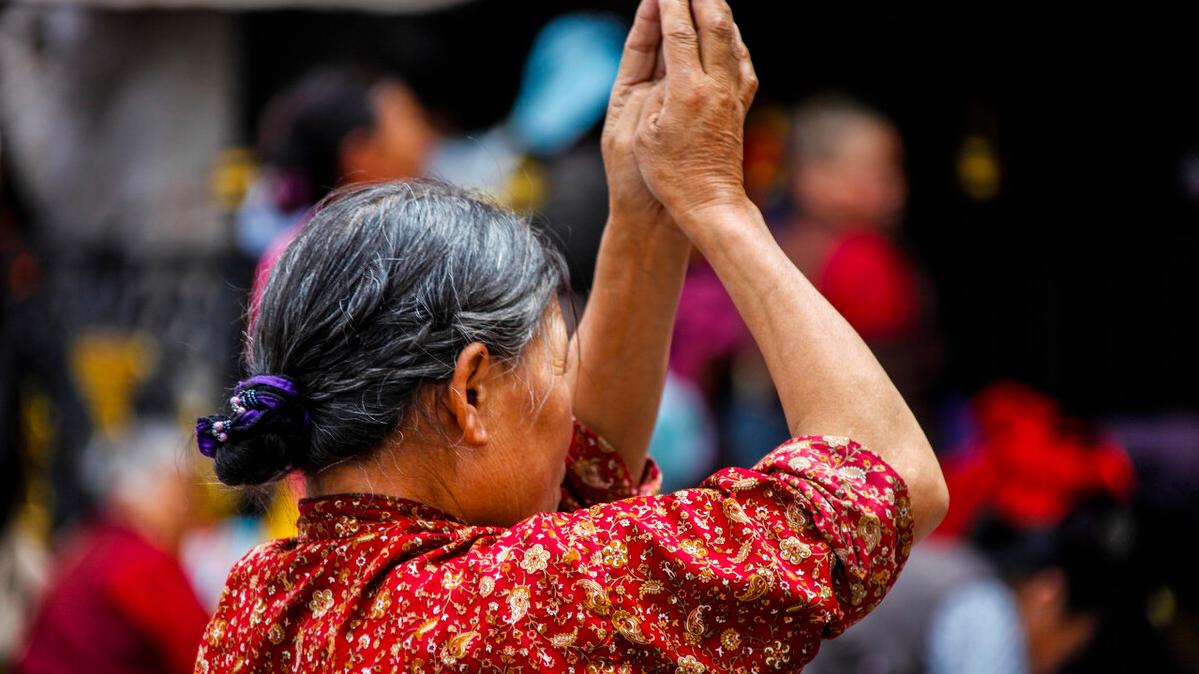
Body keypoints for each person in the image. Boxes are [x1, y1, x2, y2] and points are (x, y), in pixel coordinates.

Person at [193, 1, 948, 671]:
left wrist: (646, 211)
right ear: (469, 392)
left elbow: (582, 465)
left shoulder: (257, 602)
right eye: (559, 364)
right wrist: (719, 204)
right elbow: (888, 478)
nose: (568, 416)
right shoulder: (503, 605)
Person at [16, 419, 208, 674]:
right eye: (182, 493)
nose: (189, 510)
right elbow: (205, 653)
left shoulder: (94, 542)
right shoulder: (140, 561)